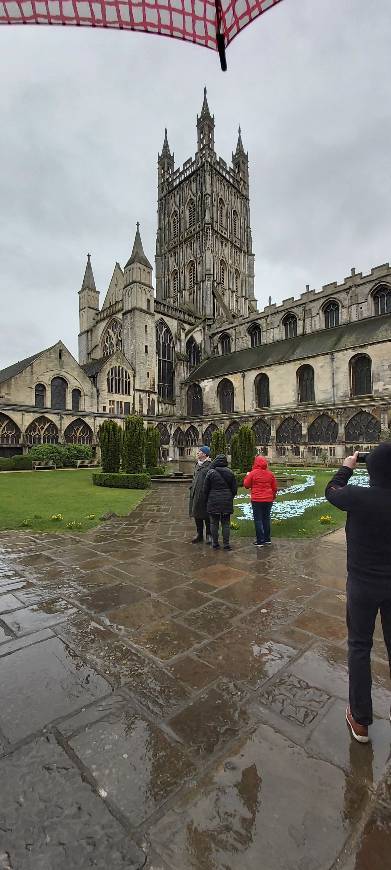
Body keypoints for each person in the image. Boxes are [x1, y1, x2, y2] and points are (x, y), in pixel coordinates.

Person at [325, 444, 391, 743]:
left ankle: (361, 720)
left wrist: (348, 466)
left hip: (363, 585)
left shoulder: (359, 497)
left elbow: (332, 489)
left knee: (360, 648)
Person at [203, 453, 237, 550]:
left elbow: (205, 489)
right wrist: (229, 497)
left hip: (213, 500)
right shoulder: (230, 472)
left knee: (214, 523)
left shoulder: (210, 472)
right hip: (226, 500)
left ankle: (215, 543)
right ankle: (226, 544)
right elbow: (234, 489)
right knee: (226, 523)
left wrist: (207, 499)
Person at [244, 455, 278, 547]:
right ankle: (267, 539)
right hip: (268, 499)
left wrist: (247, 476)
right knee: (266, 519)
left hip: (257, 499)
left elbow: (246, 485)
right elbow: (274, 488)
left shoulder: (253, 473)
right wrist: (273, 496)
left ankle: (260, 540)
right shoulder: (270, 474)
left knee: (258, 520)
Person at [189, 445, 212, 544]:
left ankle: (209, 535)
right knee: (196, 514)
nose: (197, 453)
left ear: (204, 454)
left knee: (206, 515)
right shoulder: (197, 464)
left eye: (199, 452)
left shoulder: (210, 465)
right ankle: (199, 534)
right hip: (195, 494)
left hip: (205, 495)